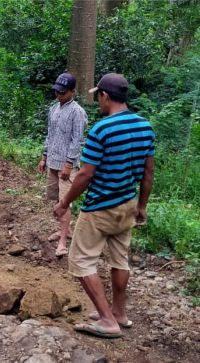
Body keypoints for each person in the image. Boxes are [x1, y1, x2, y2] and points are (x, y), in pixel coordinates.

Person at [53, 73, 155, 339]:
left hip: (100, 207)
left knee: (80, 261)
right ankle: (119, 313)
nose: (98, 100)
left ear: (106, 96)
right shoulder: (145, 127)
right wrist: (141, 206)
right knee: (119, 259)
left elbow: (85, 174)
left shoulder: (102, 129)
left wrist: (65, 203)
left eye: (99, 95)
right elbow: (148, 173)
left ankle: (108, 320)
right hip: (127, 204)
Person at [38, 73, 88, 257]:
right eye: (57, 92)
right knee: (56, 200)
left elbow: (77, 141)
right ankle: (63, 231)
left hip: (67, 165)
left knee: (65, 202)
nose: (59, 95)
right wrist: (44, 156)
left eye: (63, 92)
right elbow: (49, 135)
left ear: (73, 92)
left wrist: (69, 163)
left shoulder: (78, 112)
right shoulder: (53, 109)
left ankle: (62, 242)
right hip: (53, 160)